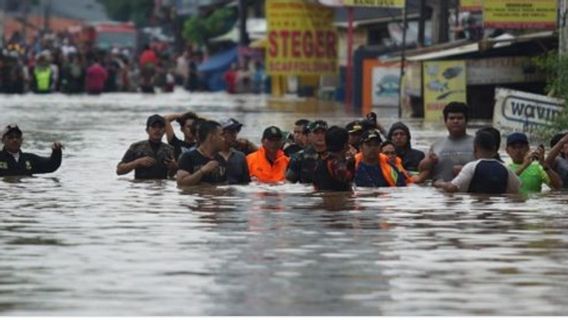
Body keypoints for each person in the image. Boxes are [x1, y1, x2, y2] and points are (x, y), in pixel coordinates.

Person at [434, 131, 521, 194]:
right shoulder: (505, 168)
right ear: (495, 149)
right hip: (497, 213)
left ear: (475, 148)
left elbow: (452, 188)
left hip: (477, 213)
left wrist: (440, 183)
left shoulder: (472, 166)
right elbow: (517, 188)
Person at [418, 102, 476, 183]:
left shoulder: (477, 143)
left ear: (467, 121)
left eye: (459, 118)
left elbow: (487, 170)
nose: (455, 121)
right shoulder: (436, 145)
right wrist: (428, 162)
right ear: (445, 121)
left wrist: (465, 171)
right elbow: (422, 173)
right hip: (441, 193)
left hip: (469, 192)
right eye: (451, 118)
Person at [116, 115, 177, 179]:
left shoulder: (170, 150)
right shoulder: (136, 147)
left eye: (160, 127)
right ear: (147, 130)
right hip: (141, 186)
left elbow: (171, 175)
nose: (157, 130)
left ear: (164, 131)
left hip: (162, 185)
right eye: (154, 127)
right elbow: (119, 170)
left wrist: (174, 167)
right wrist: (137, 163)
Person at [176, 120, 227, 186]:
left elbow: (224, 186)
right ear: (211, 137)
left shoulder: (221, 159)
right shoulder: (188, 157)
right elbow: (181, 183)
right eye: (221, 135)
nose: (224, 139)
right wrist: (202, 171)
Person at [313, 126, 355, 191]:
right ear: (345, 145)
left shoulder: (320, 161)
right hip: (337, 199)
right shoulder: (335, 163)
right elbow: (348, 178)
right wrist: (351, 163)